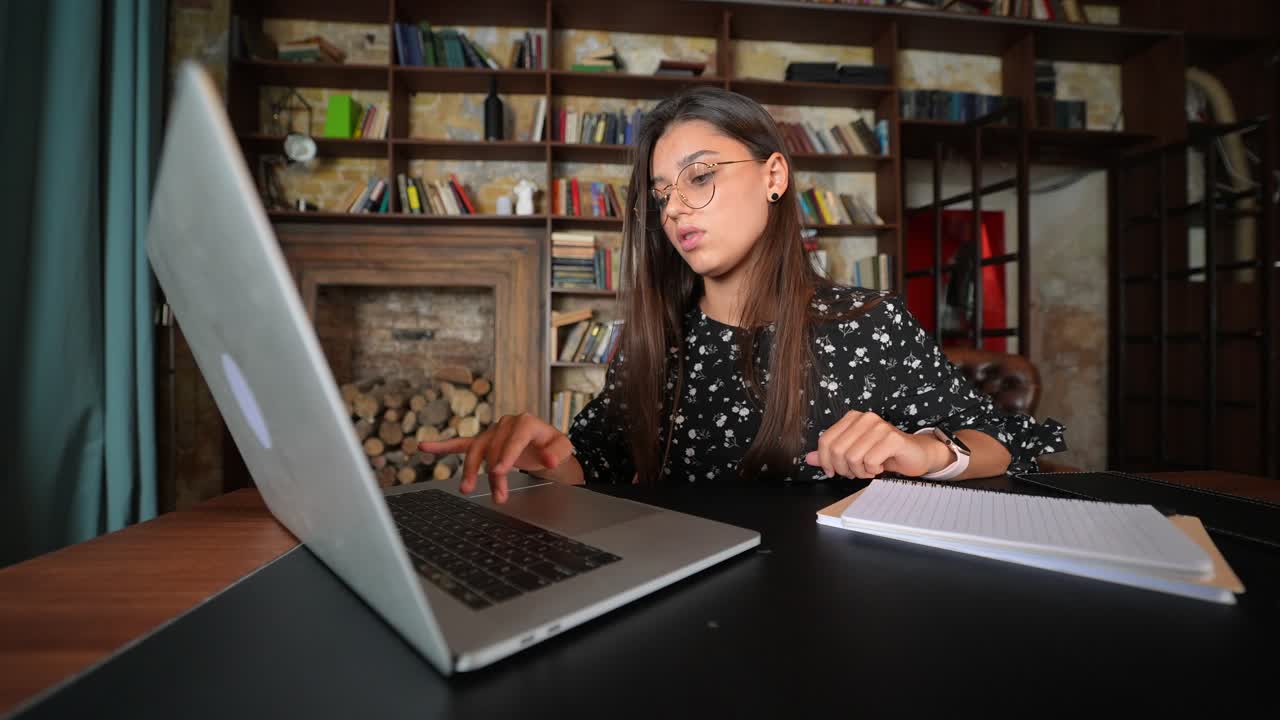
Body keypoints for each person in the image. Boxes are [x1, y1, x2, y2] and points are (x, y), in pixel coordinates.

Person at [422, 86, 1065, 503]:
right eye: (662, 192)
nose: (675, 209)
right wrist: (546, 458)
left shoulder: (867, 322)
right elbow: (592, 466)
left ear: (774, 176)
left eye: (700, 175)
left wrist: (924, 452)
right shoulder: (658, 341)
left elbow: (1005, 442)